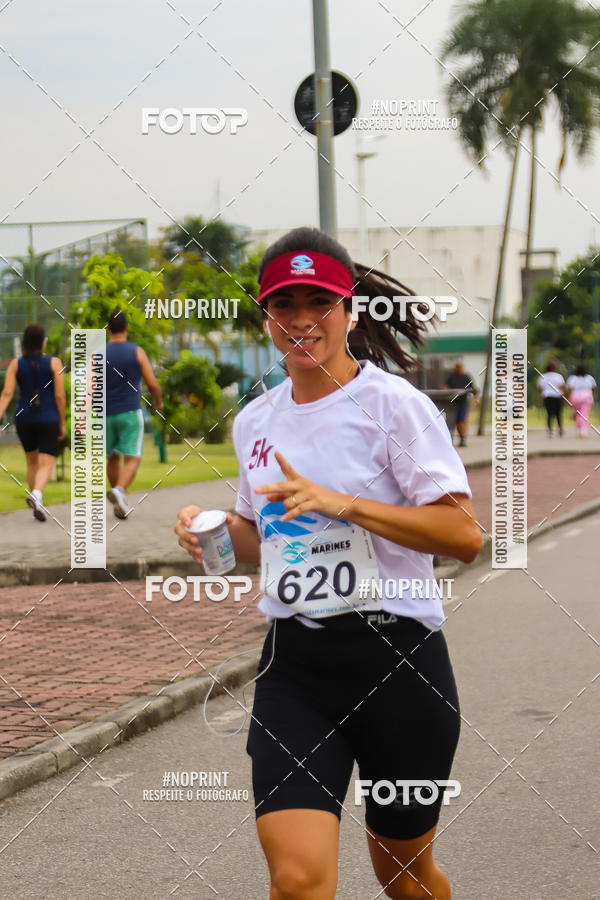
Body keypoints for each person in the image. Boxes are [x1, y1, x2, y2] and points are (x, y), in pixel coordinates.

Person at [174, 227, 481, 900]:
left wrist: (343, 504)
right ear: (266, 314)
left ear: (351, 310)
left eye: (320, 301)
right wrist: (214, 534)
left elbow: (463, 535)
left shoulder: (395, 406)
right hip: (297, 670)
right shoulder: (255, 422)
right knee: (297, 880)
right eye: (284, 304)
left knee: (404, 877)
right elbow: (264, 537)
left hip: (399, 664)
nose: (302, 319)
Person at [0, 324, 65, 521]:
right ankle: (36, 494)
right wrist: (62, 422)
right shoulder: (54, 363)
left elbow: (7, 393)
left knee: (31, 461)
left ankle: (38, 502)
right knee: (47, 462)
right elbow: (60, 396)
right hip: (48, 418)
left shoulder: (15, 364)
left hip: (24, 419)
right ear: (43, 342)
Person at [105, 310, 163, 519]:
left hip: (105, 414)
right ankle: (119, 491)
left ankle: (119, 497)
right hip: (129, 412)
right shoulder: (136, 352)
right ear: (127, 328)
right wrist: (158, 402)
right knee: (132, 458)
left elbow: (90, 386)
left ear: (108, 328)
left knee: (112, 457)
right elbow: (152, 383)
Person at [444, 359, 479, 447]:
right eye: (457, 367)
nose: (458, 368)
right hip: (453, 402)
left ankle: (463, 438)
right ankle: (460, 437)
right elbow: (446, 387)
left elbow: (473, 388)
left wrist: (476, 399)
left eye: (459, 367)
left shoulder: (466, 377)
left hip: (463, 401)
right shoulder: (452, 377)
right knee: (456, 421)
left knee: (462, 420)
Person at [566, 364, 597, 438]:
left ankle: (580, 430)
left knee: (577, 414)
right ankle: (583, 431)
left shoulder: (572, 378)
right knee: (584, 414)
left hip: (575, 397)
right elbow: (594, 388)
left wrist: (568, 398)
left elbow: (569, 389)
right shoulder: (589, 378)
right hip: (587, 397)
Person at [537, 360, 566, 438]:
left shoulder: (543, 376)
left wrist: (541, 396)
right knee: (558, 414)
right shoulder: (558, 376)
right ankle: (560, 429)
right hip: (557, 397)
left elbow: (540, 388)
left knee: (549, 414)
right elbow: (563, 387)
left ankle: (550, 431)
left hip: (547, 397)